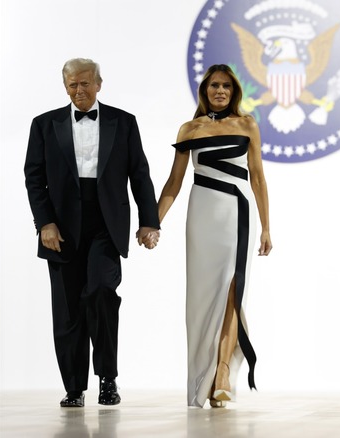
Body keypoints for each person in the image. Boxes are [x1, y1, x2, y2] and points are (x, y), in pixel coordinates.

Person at [24, 57, 160, 408]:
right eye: (73, 84)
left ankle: (108, 380)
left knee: (101, 294)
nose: (79, 90)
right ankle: (73, 388)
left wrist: (149, 221)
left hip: (105, 223)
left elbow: (139, 174)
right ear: (65, 86)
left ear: (99, 83)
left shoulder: (123, 121)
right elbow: (34, 178)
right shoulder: (44, 124)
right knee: (68, 310)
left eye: (86, 83)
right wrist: (45, 224)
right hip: (60, 227)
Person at [156, 64, 273, 408]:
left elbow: (258, 178)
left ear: (233, 90)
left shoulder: (247, 124)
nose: (219, 91)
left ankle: (222, 374)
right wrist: (153, 222)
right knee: (203, 298)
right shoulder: (190, 128)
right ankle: (203, 374)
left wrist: (266, 227)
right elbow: (173, 183)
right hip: (202, 217)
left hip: (238, 214)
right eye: (213, 86)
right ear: (205, 90)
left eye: (225, 86)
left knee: (233, 291)